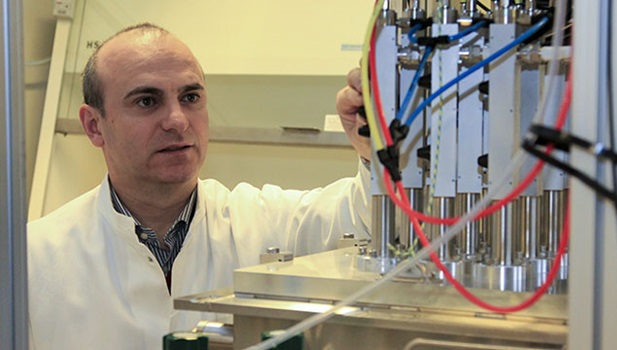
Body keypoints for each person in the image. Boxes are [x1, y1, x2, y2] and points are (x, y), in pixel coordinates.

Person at [27, 23, 370, 349]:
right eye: (147, 101)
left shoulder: (267, 223)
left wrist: (375, 149)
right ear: (93, 126)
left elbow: (365, 221)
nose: (177, 120)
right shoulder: (32, 257)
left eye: (190, 97)